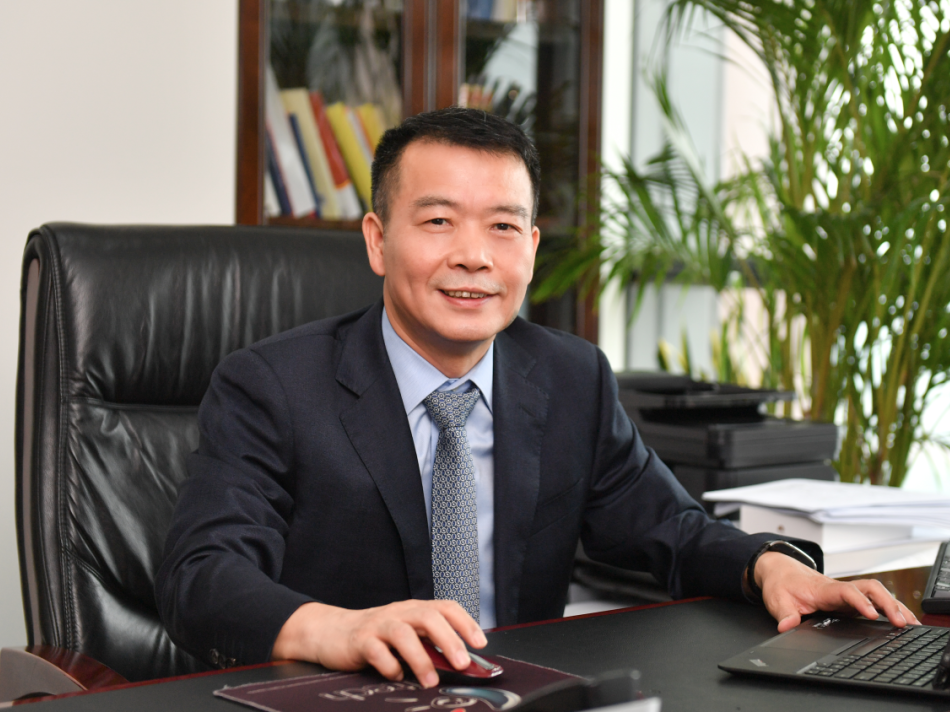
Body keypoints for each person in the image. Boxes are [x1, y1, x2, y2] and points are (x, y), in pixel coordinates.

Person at [156, 107, 917, 690]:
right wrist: (339, 631)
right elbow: (202, 575)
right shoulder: (273, 386)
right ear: (379, 240)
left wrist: (770, 567)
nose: (473, 256)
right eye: (438, 221)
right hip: (346, 698)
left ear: (530, 246)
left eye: (503, 226)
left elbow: (670, 529)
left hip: (518, 697)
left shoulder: (569, 377)